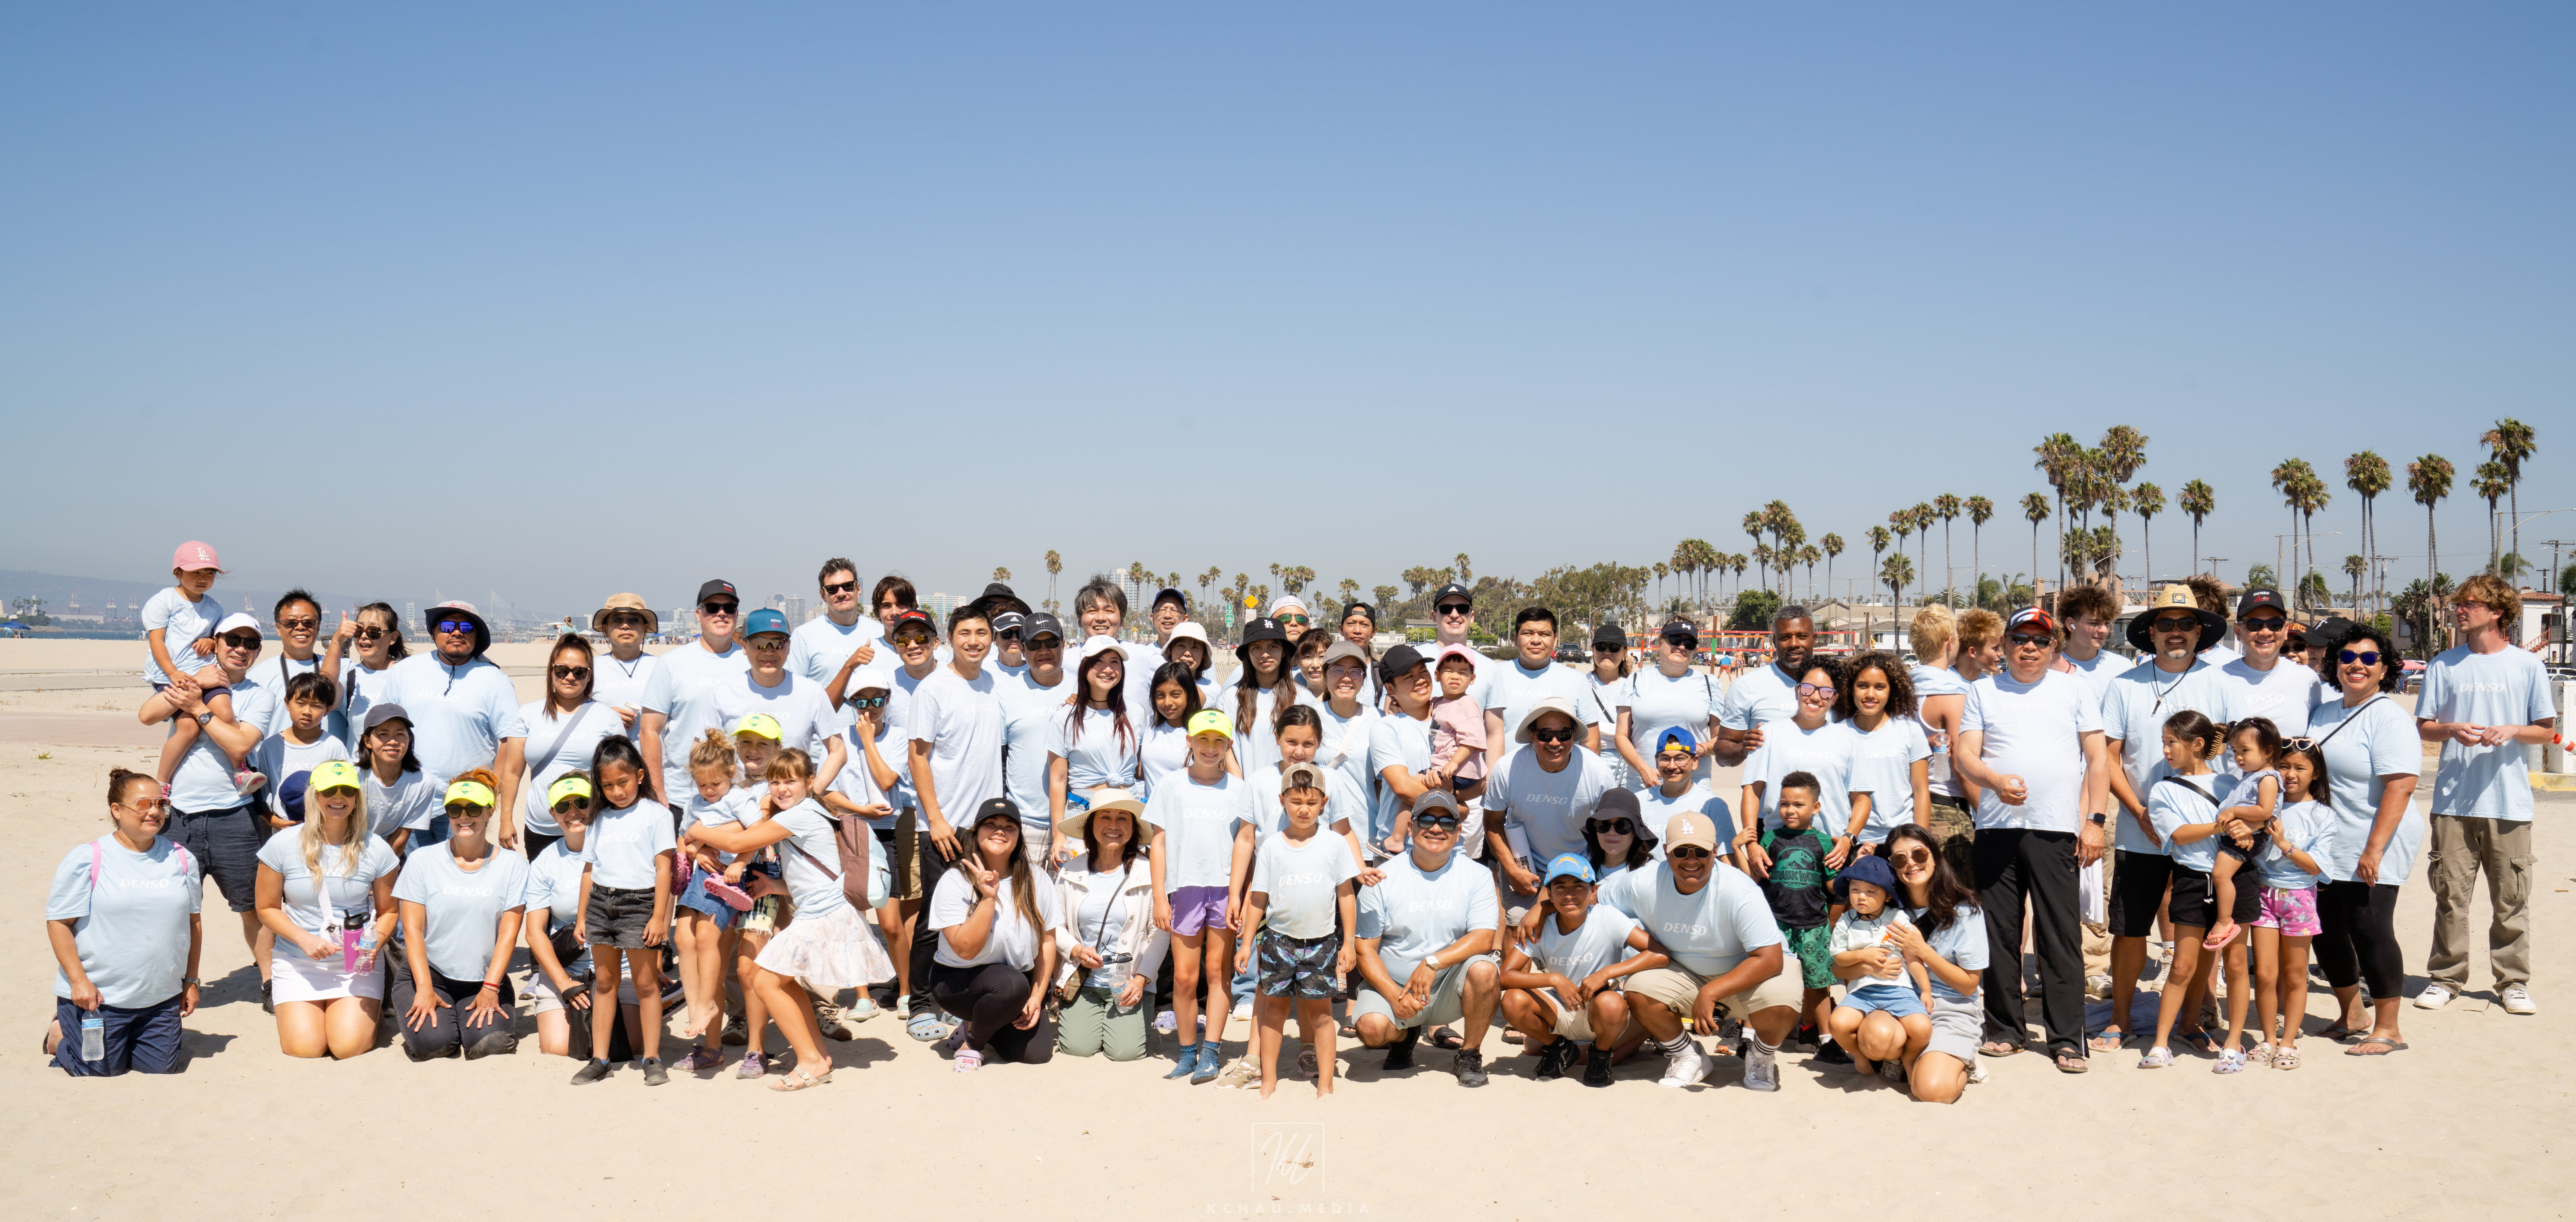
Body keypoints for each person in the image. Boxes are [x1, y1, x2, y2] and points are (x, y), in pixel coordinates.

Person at [1949, 607, 2108, 1072]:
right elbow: (1964, 754)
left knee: (2059, 934)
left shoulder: (2074, 688)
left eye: (2039, 640)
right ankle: (2005, 1030)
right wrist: (1994, 781)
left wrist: (2093, 821)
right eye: (2019, 639)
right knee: (1998, 933)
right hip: (1997, 827)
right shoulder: (1982, 690)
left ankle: (2065, 1038)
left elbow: (2097, 759)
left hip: (2056, 828)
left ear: (2052, 646)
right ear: (2006, 644)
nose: (2029, 648)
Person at [691, 749, 897, 1091]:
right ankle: (818, 1055)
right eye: (775, 782)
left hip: (823, 917)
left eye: (791, 781)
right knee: (781, 981)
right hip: (820, 912)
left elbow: (738, 841)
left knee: (765, 981)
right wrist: (775, 885)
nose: (782, 788)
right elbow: (814, 877)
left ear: (810, 782)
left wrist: (695, 827)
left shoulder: (800, 815)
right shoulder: (807, 812)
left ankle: (811, 1062)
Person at [2094, 584, 2241, 1051]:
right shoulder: (2124, 686)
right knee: (2129, 928)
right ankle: (2119, 1019)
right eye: (2165, 625)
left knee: (2191, 933)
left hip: (2201, 840)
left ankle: (2190, 1020)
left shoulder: (2221, 685)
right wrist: (2138, 812)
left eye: (2184, 625)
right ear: (2149, 633)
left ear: (2199, 632)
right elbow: (2109, 759)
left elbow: (2235, 760)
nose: (2174, 633)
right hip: (2141, 833)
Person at [2415, 573, 2556, 1016]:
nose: (2460, 609)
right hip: (2452, 801)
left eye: (2470, 603)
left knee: (2510, 898)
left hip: (2508, 801)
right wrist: (2451, 729)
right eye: (2458, 603)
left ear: (2495, 612)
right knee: (2449, 897)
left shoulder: (2526, 665)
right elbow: (2423, 726)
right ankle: (2445, 978)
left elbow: (2544, 731)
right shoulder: (2442, 664)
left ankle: (2511, 982)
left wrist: (2513, 729)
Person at [1598, 810, 1803, 1091]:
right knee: (1638, 989)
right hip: (1687, 973)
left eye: (1701, 852)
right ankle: (1688, 1055)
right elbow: (1590, 894)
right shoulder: (1644, 882)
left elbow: (1771, 959)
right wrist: (1542, 906)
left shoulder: (1739, 890)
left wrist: (1712, 992)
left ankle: (1761, 1056)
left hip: (1750, 972)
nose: (1691, 860)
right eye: (1681, 851)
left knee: (1784, 998)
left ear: (1715, 851)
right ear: (1667, 852)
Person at [140, 613, 276, 1008]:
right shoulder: (190, 680)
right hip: (178, 815)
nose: (241, 648)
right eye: (232, 639)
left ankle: (270, 981)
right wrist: (195, 683)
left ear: (258, 652)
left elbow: (239, 745)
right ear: (214, 642)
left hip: (235, 815)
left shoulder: (259, 695)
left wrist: (199, 707)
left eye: (250, 643)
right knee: (172, 907)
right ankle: (171, 984)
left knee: (253, 906)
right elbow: (147, 715)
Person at [2303, 624, 2423, 1056]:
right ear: (2336, 664)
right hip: (2328, 842)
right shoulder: (2324, 713)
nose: (2358, 664)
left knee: (2369, 927)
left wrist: (2374, 849)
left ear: (2385, 668)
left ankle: (2389, 1027)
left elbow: (2401, 785)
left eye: (2369, 658)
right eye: (2349, 657)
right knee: (2325, 927)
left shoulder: (2388, 715)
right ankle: (2352, 1013)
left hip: (2376, 838)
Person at [45, 768, 204, 1077]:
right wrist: (79, 981)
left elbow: (193, 923)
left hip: (160, 998)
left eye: (161, 804)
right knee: (99, 1072)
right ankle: (59, 1034)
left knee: (161, 1070)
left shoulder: (182, 858)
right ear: (117, 810)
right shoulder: (88, 858)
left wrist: (191, 980)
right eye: (144, 804)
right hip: (100, 999)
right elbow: (59, 923)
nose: (155, 812)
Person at [1350, 790, 1502, 1087]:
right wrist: (1394, 997)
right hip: (1395, 986)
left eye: (1447, 823)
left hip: (1447, 986)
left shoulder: (1478, 875)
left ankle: (1470, 1054)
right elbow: (1365, 949)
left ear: (1459, 833)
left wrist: (1433, 963)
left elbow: (1485, 938)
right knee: (1371, 1030)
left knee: (1485, 969)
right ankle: (1405, 1036)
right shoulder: (1381, 877)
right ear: (1411, 827)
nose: (1436, 828)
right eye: (1427, 820)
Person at [253, 759, 399, 1059]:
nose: (339, 797)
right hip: (297, 959)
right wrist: (304, 940)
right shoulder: (281, 845)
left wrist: (373, 946)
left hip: (356, 962)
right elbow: (267, 908)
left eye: (348, 790)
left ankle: (370, 1012)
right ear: (314, 795)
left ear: (357, 798)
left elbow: (390, 911)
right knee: (305, 1048)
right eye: (329, 789)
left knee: (346, 1047)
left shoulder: (376, 848)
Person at [1234, 762, 1362, 1097]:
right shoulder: (1273, 846)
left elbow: (1346, 895)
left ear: (1324, 802)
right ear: (1282, 801)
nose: (1303, 809)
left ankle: (1326, 1083)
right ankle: (1269, 1080)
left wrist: (1348, 942)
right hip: (1278, 941)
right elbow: (1258, 899)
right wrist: (1247, 943)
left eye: (1311, 802)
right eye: (1296, 801)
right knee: (1274, 1011)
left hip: (1322, 942)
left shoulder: (1335, 844)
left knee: (1321, 1013)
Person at [2136, 710, 2255, 1071]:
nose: (2166, 750)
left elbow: (2257, 817)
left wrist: (2248, 828)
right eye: (2165, 742)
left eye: (2172, 741)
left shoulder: (2232, 783)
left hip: (2236, 880)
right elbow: (2179, 834)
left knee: (2235, 964)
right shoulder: (2162, 789)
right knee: (2183, 965)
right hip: (2190, 880)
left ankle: (2233, 1044)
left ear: (2197, 744)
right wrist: (2220, 824)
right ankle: (2160, 1045)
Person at [906, 603, 1006, 1034]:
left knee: (978, 914)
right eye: (965, 633)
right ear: (950, 638)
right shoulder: (933, 688)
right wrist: (936, 819)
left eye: (982, 633)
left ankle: (954, 998)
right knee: (937, 916)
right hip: (946, 826)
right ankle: (920, 1004)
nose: (974, 641)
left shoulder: (992, 683)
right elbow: (918, 756)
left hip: (987, 827)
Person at [1142, 710, 1253, 1081]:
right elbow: (1158, 842)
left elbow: (1246, 843)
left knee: (1217, 972)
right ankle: (1187, 1052)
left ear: (1228, 746)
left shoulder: (1240, 789)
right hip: (1184, 888)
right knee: (1186, 978)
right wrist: (1160, 895)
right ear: (1188, 742)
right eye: (1202, 739)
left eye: (1217, 741)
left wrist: (1239, 893)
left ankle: (1212, 1051)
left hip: (1225, 890)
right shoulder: (1170, 785)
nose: (1210, 747)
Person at [391, 771, 530, 1062]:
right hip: (429, 974)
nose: (463, 816)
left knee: (488, 1045)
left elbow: (508, 933)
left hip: (484, 978)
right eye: (455, 808)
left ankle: (459, 1011)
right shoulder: (422, 861)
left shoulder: (513, 865)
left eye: (474, 808)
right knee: (435, 1045)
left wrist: (491, 988)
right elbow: (412, 929)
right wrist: (425, 988)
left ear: (490, 810)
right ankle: (435, 1017)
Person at [1498, 854, 1662, 1086]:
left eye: (1579, 887)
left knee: (1612, 1005)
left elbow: (1659, 953)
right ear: (1550, 894)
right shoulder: (1542, 926)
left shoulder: (1608, 918)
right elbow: (1505, 976)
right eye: (1561, 887)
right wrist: (1554, 979)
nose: (1569, 895)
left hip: (1600, 1010)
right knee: (1524, 1028)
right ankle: (1560, 1049)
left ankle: (1602, 1055)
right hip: (1563, 1008)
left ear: (1593, 891)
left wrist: (1607, 973)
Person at [927, 798, 1063, 1071]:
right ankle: (974, 1042)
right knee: (1010, 985)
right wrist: (988, 899)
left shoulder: (1037, 877)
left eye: (1009, 826)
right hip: (959, 981)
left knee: (1037, 1054)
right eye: (991, 824)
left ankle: (987, 1021)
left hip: (1015, 981)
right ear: (976, 832)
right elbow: (965, 949)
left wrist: (1038, 996)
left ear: (1019, 837)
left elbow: (1048, 939)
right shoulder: (955, 879)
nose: (1000, 830)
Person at [569, 736, 676, 1086]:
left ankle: (652, 1057)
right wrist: (583, 915)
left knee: (646, 983)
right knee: (604, 981)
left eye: (624, 782)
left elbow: (664, 869)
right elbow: (589, 869)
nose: (617, 791)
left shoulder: (657, 814)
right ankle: (600, 1058)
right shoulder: (598, 819)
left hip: (640, 904)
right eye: (608, 785)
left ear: (641, 776)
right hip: (602, 902)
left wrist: (660, 917)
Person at [379, 602, 528, 847]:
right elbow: (382, 730)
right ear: (434, 632)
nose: (457, 632)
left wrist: (491, 791)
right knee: (410, 876)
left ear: (477, 635)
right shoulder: (405, 671)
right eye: (448, 626)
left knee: (461, 873)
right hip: (408, 798)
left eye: (467, 627)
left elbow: (509, 742)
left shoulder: (494, 679)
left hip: (466, 803)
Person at [1052, 790, 1165, 1062]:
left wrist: (1141, 980)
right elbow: (1055, 926)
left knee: (1125, 1052)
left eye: (1122, 818)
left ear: (1134, 828)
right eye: (1105, 817)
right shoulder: (1071, 871)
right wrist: (1077, 950)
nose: (1114, 826)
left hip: (1130, 983)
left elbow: (1159, 932)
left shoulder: (1149, 872)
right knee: (1078, 1047)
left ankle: (1133, 1017)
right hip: (1085, 982)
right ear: (1091, 825)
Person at [666, 729, 754, 1073]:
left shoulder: (739, 799)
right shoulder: (694, 803)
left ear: (731, 775)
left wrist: (738, 863)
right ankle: (697, 1006)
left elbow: (756, 834)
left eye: (715, 783)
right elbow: (684, 839)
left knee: (706, 939)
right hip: (701, 875)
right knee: (682, 938)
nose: (708, 791)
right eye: (702, 785)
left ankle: (707, 1005)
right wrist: (696, 850)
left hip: (726, 877)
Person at [1881, 823, 1988, 1104]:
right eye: (1899, 859)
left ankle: (1963, 1060)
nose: (1911, 864)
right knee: (1875, 1037)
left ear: (1936, 856)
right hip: (1899, 1007)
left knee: (1931, 1091)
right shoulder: (1886, 910)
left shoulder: (1965, 911)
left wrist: (1925, 952)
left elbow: (1969, 986)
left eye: (1919, 854)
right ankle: (1912, 1058)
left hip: (1950, 1008)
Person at [2246, 742, 2329, 1070]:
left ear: (2316, 773)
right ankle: (2268, 1038)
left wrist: (2284, 844)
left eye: (2300, 768)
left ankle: (2289, 1042)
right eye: (2284, 766)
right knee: (2265, 974)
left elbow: (2318, 867)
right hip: (2263, 894)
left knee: (2296, 974)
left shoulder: (2323, 814)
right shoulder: (2266, 805)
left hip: (2300, 899)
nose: (2291, 774)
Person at [1487, 697, 1617, 900]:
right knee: (1517, 929)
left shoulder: (1598, 771)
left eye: (1564, 734)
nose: (1555, 743)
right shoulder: (1507, 768)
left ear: (1574, 734)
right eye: (1545, 735)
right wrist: (1513, 872)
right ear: (1531, 734)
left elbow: (1614, 830)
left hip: (1581, 870)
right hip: (1524, 869)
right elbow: (1492, 823)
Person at [1735, 657, 1859, 865]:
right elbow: (1752, 791)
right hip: (1778, 848)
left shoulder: (1848, 739)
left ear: (1835, 699)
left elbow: (1861, 797)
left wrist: (1849, 838)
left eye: (1826, 692)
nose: (1816, 697)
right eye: (1808, 689)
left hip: (1832, 851)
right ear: (1797, 691)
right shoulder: (1769, 733)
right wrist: (1752, 844)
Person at [1754, 773, 1843, 1058]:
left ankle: (1824, 1039)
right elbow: (1757, 878)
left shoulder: (1825, 842)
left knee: (1818, 984)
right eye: (1784, 803)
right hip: (1776, 925)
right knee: (1766, 979)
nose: (1790, 810)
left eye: (1798, 804)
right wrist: (1741, 848)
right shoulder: (1772, 838)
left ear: (1815, 808)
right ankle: (1751, 1036)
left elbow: (1831, 885)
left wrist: (1852, 873)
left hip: (1813, 925)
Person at [523, 774, 611, 1060]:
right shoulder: (545, 862)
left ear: (596, 803)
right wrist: (563, 983)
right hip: (568, 966)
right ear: (553, 814)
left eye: (582, 802)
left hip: (618, 966)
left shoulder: (617, 848)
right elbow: (534, 932)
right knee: (557, 1048)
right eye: (563, 806)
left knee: (628, 1047)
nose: (573, 811)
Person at [638, 580, 749, 806]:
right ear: (698, 614)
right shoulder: (672, 663)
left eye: (729, 608)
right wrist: (658, 792)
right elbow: (650, 730)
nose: (722, 614)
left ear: (737, 615)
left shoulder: (752, 661)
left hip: (743, 794)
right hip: (683, 795)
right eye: (712, 608)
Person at [1824, 853, 1933, 1082]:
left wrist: (1926, 990)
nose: (1861, 897)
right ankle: (1859, 1056)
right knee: (1838, 1023)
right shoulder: (1846, 921)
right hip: (1862, 993)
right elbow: (1840, 959)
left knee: (1922, 1029)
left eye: (1871, 892)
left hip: (1899, 991)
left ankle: (1908, 1059)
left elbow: (1913, 958)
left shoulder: (1898, 919)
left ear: (1888, 897)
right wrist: (1864, 956)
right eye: (1855, 890)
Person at [713, 608, 848, 787]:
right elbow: (705, 751)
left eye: (779, 643)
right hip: (739, 805)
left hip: (792, 808)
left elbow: (838, 750)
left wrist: (812, 792)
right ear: (744, 647)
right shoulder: (723, 694)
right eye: (760, 643)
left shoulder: (812, 692)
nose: (769, 652)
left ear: (789, 647)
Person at [518, 633, 623, 861]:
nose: (570, 677)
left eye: (580, 672)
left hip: (591, 824)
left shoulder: (607, 718)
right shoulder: (529, 714)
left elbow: (620, 775)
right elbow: (511, 771)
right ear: (551, 671)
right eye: (562, 671)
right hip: (540, 827)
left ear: (589, 676)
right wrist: (506, 819)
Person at [141, 542, 231, 794]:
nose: (203, 579)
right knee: (189, 728)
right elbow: (156, 641)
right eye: (195, 573)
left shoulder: (214, 608)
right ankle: (162, 783)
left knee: (224, 713)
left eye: (209, 573)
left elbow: (216, 638)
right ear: (178, 573)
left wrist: (211, 641)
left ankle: (241, 770)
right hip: (170, 675)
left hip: (203, 673)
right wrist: (172, 673)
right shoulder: (165, 601)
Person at [1048, 636, 1143, 850]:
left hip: (1128, 809)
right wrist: (1059, 835)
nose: (1107, 669)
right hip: (1083, 810)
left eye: (1115, 662)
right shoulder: (1064, 717)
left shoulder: (1137, 713)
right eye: (1099, 661)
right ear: (1084, 667)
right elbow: (1058, 780)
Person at [1482, 609, 1601, 775]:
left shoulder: (1576, 680)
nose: (1536, 640)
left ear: (1555, 640)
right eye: (1528, 633)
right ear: (1516, 640)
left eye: (1545, 634)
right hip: (1502, 782)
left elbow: (1591, 741)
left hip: (1560, 783)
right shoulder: (1493, 675)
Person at [1906, 606, 1978, 880]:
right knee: (1958, 901)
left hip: (1907, 803)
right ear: (1950, 642)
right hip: (1946, 807)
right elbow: (1962, 763)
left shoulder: (1902, 689)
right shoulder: (1953, 695)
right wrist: (1984, 813)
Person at [2203, 718, 2287, 953]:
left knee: (2220, 875)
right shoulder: (2252, 776)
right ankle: (2224, 918)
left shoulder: (2267, 778)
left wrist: (2234, 811)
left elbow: (2265, 811)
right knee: (2221, 875)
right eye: (2235, 751)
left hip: (2255, 833)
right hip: (2245, 832)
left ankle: (2224, 920)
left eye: (2245, 751)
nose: (2239, 757)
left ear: (2269, 751)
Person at [1840, 652, 1930, 854]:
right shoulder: (1837, 734)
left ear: (1892, 691)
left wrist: (1922, 841)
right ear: (1850, 689)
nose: (1871, 694)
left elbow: (1921, 791)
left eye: (1880, 687)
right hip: (1855, 841)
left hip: (1903, 840)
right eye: (1863, 686)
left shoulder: (1910, 731)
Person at [1714, 606, 1821, 768]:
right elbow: (1722, 754)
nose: (1794, 644)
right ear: (1774, 641)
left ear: (1815, 638)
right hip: (1770, 793)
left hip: (1828, 792)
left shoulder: (1838, 685)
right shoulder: (1747, 687)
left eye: (1802, 636)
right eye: (1785, 637)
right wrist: (1743, 748)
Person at [1617, 619, 1719, 787]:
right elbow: (1621, 736)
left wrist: (1699, 749)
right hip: (1643, 785)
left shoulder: (1709, 684)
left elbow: (1721, 740)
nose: (1682, 647)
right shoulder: (1636, 680)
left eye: (1690, 643)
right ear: (1660, 642)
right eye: (1676, 640)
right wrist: (1644, 770)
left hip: (1694, 786)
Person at [247, 672, 352, 829]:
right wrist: (271, 820)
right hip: (285, 833)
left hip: (326, 831)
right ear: (288, 703)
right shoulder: (270, 747)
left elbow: (347, 792)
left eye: (316, 706)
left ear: (328, 710)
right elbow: (258, 794)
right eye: (301, 703)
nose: (307, 712)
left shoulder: (334, 746)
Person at [246, 590, 349, 745]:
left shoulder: (344, 668)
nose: (300, 628)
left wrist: (337, 642)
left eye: (308, 623)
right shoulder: (259, 675)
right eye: (291, 623)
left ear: (318, 628)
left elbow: (333, 695)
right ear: (278, 629)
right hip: (277, 765)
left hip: (330, 765)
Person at [2218, 589, 2317, 750]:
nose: (2265, 632)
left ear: (2285, 630)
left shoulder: (2307, 679)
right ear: (2238, 631)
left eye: (2275, 625)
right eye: (2254, 625)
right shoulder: (2220, 677)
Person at [1367, 645, 1440, 860]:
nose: (1420, 680)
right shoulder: (1386, 727)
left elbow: (1478, 782)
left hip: (1449, 846)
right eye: (1409, 676)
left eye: (1423, 672)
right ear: (1390, 690)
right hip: (1398, 853)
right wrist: (1455, 806)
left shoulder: (1453, 717)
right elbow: (1404, 788)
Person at [1627, 734, 1723, 874]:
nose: (1672, 766)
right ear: (1656, 761)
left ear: (1695, 762)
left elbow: (1725, 860)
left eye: (1680, 759)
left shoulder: (1712, 806)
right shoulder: (1637, 802)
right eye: (1665, 759)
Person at [1229, 617, 1314, 775]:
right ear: (1247, 653)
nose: (1265, 654)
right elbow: (1227, 750)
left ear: (1284, 652)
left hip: (1289, 794)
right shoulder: (1230, 698)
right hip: (1243, 792)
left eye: (1273, 646)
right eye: (1256, 648)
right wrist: (1241, 789)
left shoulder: (1303, 699)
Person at [356, 704, 441, 856]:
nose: (393, 741)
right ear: (368, 741)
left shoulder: (423, 783)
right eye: (383, 734)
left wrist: (381, 869)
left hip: (386, 855)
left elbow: (401, 838)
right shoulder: (352, 776)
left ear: (410, 739)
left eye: (400, 734)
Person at [788, 558, 882, 690]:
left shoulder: (880, 633)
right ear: (823, 595)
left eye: (848, 586)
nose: (841, 594)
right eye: (832, 589)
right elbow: (796, 692)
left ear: (858, 589)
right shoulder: (804, 636)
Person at [329, 601, 408, 735]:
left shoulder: (406, 674)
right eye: (359, 631)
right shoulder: (350, 677)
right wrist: (337, 641)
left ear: (392, 638)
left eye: (374, 632)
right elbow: (326, 695)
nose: (364, 636)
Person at [587, 594, 661, 729]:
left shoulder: (661, 667)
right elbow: (571, 710)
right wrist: (604, 715)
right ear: (606, 630)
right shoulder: (589, 669)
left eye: (634, 620)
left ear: (645, 630)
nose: (626, 626)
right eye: (617, 620)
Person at [1427, 645, 1491, 800]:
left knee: (1417, 786)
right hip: (1448, 769)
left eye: (1463, 673)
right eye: (1449, 671)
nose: (1455, 677)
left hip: (1459, 772)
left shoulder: (1467, 704)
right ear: (1437, 675)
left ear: (1472, 679)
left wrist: (1454, 763)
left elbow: (1470, 742)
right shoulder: (1437, 702)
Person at [1136, 660, 1204, 800]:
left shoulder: (1201, 730)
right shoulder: (1147, 724)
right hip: (1152, 817)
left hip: (1187, 813)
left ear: (1189, 694)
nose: (1167, 702)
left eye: (1176, 695)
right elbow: (1139, 772)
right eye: (1160, 695)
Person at [1337, 601, 1383, 707]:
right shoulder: (1329, 670)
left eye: (1364, 625)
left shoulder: (1382, 674)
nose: (1357, 630)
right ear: (1341, 629)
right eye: (1351, 624)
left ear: (1374, 632)